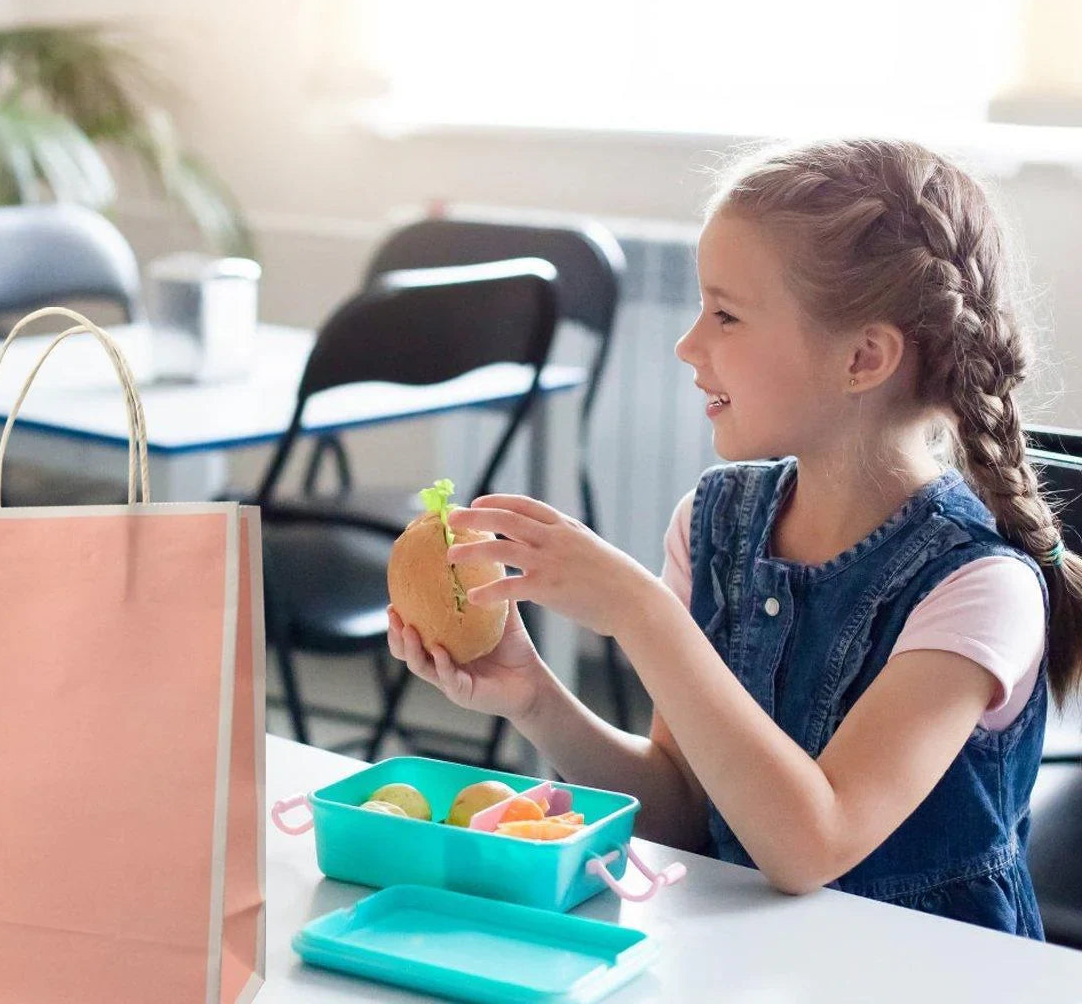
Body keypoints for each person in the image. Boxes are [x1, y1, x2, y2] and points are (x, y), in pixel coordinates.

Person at [387, 137, 1082, 938]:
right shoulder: (714, 524)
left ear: (863, 357)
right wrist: (533, 696)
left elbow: (811, 845)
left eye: (725, 314)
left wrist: (642, 614)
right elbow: (685, 812)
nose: (688, 344)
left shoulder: (980, 587)